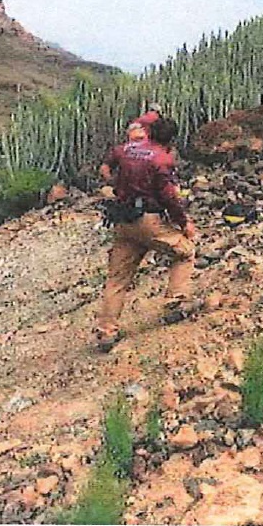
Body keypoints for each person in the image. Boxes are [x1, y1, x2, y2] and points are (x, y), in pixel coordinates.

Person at [94, 117, 197, 352]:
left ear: (149, 133)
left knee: (117, 279)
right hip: (149, 221)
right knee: (185, 252)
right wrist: (184, 223)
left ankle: (106, 332)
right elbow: (169, 197)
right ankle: (175, 303)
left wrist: (115, 185)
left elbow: (106, 166)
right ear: (172, 139)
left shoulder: (126, 149)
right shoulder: (162, 159)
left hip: (123, 219)